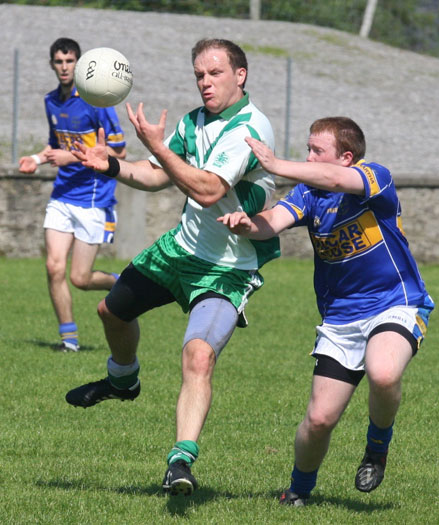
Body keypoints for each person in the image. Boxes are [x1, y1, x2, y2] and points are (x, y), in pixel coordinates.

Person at [65, 38, 280, 495]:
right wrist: (113, 166)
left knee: (198, 356)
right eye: (199, 74)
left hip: (226, 269)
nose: (205, 82)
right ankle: (123, 382)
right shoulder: (193, 121)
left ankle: (181, 460)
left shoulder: (250, 128)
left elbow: (205, 188)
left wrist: (160, 148)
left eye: (215, 73)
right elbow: (156, 175)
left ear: (240, 75)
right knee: (110, 312)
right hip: (178, 251)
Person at [218, 116, 434, 505]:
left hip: (395, 302)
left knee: (383, 373)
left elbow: (335, 180)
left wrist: (275, 163)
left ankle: (376, 448)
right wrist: (247, 225)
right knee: (318, 420)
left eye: (317, 151)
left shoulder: (375, 177)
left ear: (346, 157)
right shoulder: (307, 194)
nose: (309, 157)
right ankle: (299, 490)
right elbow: (272, 223)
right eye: (308, 148)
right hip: (340, 319)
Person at [19, 37, 126, 352]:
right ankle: (69, 341)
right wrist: (37, 159)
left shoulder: (97, 100)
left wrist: (75, 156)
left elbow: (118, 149)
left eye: (69, 61)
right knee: (53, 266)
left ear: (79, 64)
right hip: (63, 195)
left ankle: (124, 282)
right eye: (59, 61)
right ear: (52, 64)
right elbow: (55, 143)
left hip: (94, 198)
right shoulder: (51, 101)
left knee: (81, 278)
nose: (64, 67)